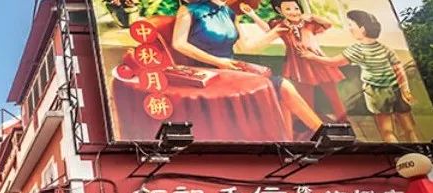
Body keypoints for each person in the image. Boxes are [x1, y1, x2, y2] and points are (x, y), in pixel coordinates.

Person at [171, 0, 323, 139]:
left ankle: (292, 140)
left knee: (282, 88)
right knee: (281, 87)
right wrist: (218, 61)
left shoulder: (229, 13)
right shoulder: (189, 10)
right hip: (205, 72)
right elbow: (179, 44)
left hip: (230, 70)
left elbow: (245, 47)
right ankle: (322, 134)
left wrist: (275, 33)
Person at [302, 10, 420, 143]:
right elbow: (399, 69)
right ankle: (418, 150)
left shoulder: (357, 49)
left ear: (362, 29)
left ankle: (395, 153)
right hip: (396, 89)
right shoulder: (386, 48)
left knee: (387, 131)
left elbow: (334, 62)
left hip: (377, 93)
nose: (350, 28)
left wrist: (312, 57)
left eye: (351, 25)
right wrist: (405, 89)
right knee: (409, 129)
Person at [240, 0, 347, 121]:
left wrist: (312, 16)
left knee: (333, 96)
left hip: (318, 62)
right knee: (305, 99)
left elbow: (328, 24)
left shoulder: (309, 23)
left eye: (296, 8)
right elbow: (268, 30)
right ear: (280, 11)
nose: (293, 12)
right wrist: (253, 15)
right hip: (299, 66)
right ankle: (309, 124)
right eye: (288, 9)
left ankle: (344, 122)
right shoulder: (281, 26)